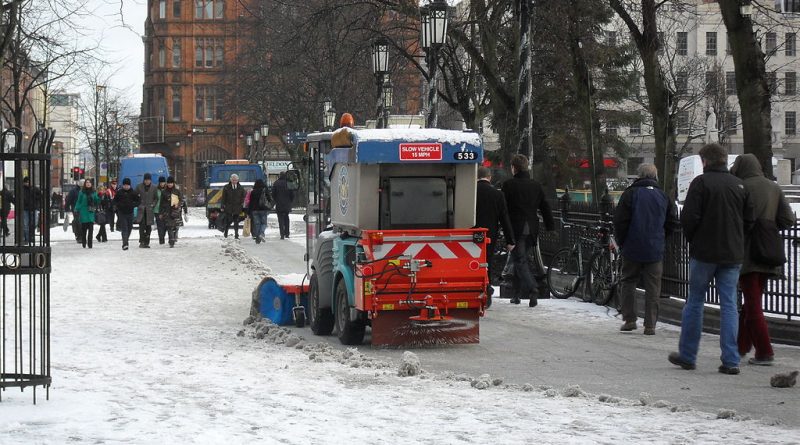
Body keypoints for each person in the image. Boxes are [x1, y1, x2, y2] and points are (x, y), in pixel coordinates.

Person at [668, 143, 754, 376]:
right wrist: (737, 240)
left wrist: (695, 240)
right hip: (732, 254)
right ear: (724, 160)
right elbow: (749, 220)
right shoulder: (739, 186)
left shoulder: (701, 183)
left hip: (704, 252)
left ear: (704, 161)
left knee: (695, 302)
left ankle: (688, 355)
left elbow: (688, 218)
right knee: (729, 305)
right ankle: (731, 359)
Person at [730, 154, 795, 366]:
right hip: (768, 251)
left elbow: (735, 220)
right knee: (752, 302)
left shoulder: (740, 186)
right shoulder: (773, 187)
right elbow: (788, 219)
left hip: (747, 253)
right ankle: (739, 347)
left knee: (752, 304)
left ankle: (765, 351)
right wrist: (769, 226)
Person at [613, 164, 680, 335]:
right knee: (653, 287)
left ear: (639, 176)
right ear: (655, 176)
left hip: (632, 246)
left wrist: (622, 241)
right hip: (654, 248)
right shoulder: (663, 196)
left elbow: (620, 221)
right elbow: (672, 221)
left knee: (628, 281)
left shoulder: (630, 194)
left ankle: (630, 319)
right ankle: (650, 324)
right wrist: (661, 238)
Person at [502, 154, 554, 307]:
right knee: (521, 260)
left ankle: (532, 288)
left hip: (516, 228)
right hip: (531, 228)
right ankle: (516, 294)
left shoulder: (508, 185)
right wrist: (550, 226)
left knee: (519, 260)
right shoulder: (535, 185)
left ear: (514, 168)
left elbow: (504, 210)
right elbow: (545, 207)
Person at [475, 166, 515, 301]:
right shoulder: (497, 194)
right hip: (489, 234)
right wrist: (510, 240)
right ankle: (486, 286)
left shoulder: (470, 192)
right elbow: (504, 218)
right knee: (486, 261)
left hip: (470, 233)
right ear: (489, 177)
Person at [157, 176, 184, 247]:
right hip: (167, 211)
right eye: (168, 183)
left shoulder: (177, 191)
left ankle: (173, 238)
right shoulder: (164, 192)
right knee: (169, 226)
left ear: (173, 183)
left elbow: (181, 200)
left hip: (175, 212)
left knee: (175, 227)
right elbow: (161, 203)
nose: (169, 184)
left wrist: (178, 205)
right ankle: (171, 241)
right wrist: (160, 213)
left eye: (171, 183)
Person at [113, 178, 138, 250]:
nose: (126, 186)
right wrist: (118, 205)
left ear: (130, 185)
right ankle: (125, 243)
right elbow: (114, 200)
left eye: (127, 185)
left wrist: (133, 205)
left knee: (129, 228)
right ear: (123, 185)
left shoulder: (133, 192)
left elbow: (138, 201)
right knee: (124, 228)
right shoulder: (119, 192)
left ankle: (126, 239)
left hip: (130, 212)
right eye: (125, 185)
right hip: (122, 213)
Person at [74, 179, 100, 249]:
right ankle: (84, 242)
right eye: (87, 182)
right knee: (84, 230)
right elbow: (78, 202)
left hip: (91, 213)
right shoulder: (81, 192)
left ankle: (90, 243)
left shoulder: (94, 192)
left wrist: (99, 196)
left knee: (91, 230)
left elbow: (97, 201)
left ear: (91, 184)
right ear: (85, 184)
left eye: (89, 182)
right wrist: (76, 209)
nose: (88, 184)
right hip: (83, 212)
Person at [135, 173, 158, 248]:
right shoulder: (139, 186)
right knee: (142, 227)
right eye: (146, 180)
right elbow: (134, 196)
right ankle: (141, 241)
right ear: (144, 180)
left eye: (148, 180)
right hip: (141, 210)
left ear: (150, 180)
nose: (147, 181)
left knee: (148, 227)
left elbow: (156, 198)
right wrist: (138, 203)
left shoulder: (154, 187)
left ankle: (147, 242)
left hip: (149, 210)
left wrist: (153, 204)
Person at [247, 179, 272, 244]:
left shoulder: (253, 192)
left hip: (254, 210)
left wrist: (249, 212)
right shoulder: (264, 190)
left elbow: (250, 202)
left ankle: (258, 238)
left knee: (257, 224)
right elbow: (269, 199)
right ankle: (261, 233)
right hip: (263, 209)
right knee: (264, 223)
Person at [221, 173, 246, 239]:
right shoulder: (226, 187)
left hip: (237, 208)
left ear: (238, 180)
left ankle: (236, 235)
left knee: (236, 222)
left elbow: (243, 196)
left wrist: (241, 203)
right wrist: (222, 206)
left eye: (235, 180)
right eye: (233, 180)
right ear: (231, 180)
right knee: (228, 221)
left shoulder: (240, 188)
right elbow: (223, 197)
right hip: (228, 207)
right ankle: (226, 232)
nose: (234, 181)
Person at [272, 171, 294, 239]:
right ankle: (287, 233)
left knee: (280, 219)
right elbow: (292, 194)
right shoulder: (288, 183)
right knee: (286, 218)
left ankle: (282, 234)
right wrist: (290, 201)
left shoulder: (276, 183)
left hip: (279, 204)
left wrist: (276, 200)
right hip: (287, 204)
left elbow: (273, 194)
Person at [20, 177, 42, 244]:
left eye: (28, 182)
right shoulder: (22, 189)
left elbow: (41, 196)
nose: (27, 183)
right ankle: (28, 238)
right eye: (26, 182)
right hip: (25, 209)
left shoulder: (35, 189)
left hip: (33, 208)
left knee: (34, 223)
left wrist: (35, 198)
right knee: (26, 224)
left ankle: (31, 236)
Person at [154, 176, 168, 245]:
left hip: (165, 209)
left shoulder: (167, 189)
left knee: (165, 225)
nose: (162, 184)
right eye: (161, 182)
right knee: (160, 225)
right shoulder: (156, 190)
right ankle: (161, 240)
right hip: (157, 210)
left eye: (163, 182)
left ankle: (162, 236)